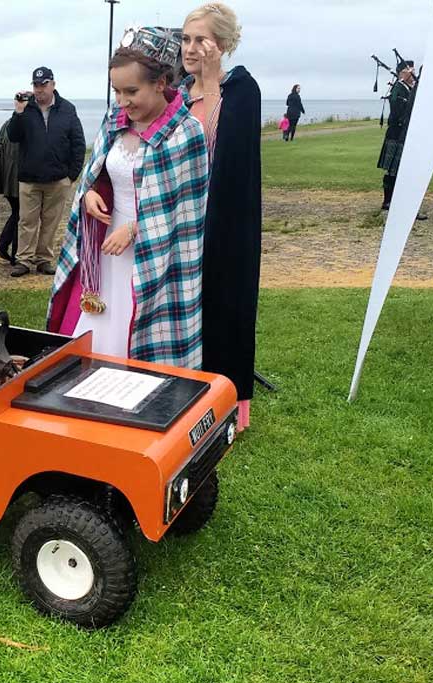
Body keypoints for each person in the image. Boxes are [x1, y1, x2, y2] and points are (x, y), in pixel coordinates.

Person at [45, 42, 208, 365]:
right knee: (93, 326)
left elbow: (185, 211)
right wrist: (89, 194)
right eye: (116, 91)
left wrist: (134, 229)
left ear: (160, 83)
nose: (122, 101)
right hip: (105, 245)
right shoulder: (114, 118)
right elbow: (96, 171)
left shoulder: (187, 132)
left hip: (154, 253)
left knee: (131, 330)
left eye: (131, 91)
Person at [181, 3, 263, 428]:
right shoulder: (175, 91)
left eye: (201, 40)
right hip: (179, 222)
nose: (190, 49)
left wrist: (211, 80)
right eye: (185, 39)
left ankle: (226, 400)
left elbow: (231, 154)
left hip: (222, 222)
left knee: (221, 306)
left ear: (224, 45)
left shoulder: (242, 90)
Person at [7, 66, 86, 277]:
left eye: (44, 85)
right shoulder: (26, 109)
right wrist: (18, 112)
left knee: (51, 222)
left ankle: (44, 259)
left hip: (58, 178)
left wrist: (71, 175)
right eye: (36, 85)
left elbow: (78, 143)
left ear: (53, 85)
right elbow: (13, 136)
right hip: (29, 178)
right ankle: (23, 260)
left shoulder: (67, 109)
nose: (40, 89)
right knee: (27, 222)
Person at [378, 60, 418, 211]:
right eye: (410, 70)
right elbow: (398, 110)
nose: (413, 73)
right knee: (393, 169)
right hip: (397, 133)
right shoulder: (398, 88)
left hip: (406, 132)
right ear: (402, 73)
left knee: (404, 169)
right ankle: (387, 201)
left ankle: (399, 200)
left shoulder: (409, 88)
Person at [0, 117, 20, 264]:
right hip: (18, 178)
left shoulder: (6, 124)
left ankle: (4, 246)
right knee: (21, 215)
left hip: (6, 176)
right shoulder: (22, 125)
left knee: (17, 213)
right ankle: (14, 253)